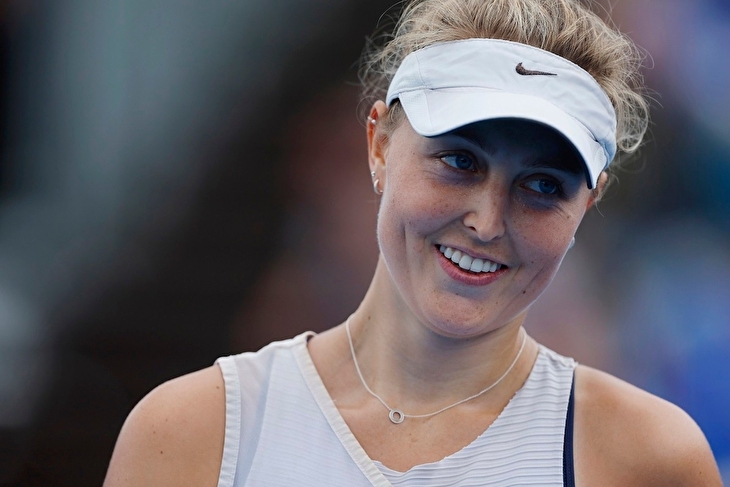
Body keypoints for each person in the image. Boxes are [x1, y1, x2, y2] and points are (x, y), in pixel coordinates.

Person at [104, 0, 723, 485]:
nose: (487, 222)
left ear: (588, 203)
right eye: (459, 161)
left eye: (542, 186)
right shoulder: (190, 433)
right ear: (378, 144)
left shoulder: (648, 458)